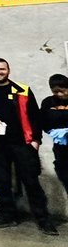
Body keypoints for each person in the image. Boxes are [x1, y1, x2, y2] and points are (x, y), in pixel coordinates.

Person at [0, 58, 54, 234]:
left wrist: (36, 140)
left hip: (22, 144)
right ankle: (8, 216)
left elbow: (35, 116)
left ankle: (43, 220)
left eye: (2, 69)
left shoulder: (23, 90)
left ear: (8, 70)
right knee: (1, 182)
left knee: (31, 182)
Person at [41, 74, 68, 208]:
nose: (59, 94)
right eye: (55, 92)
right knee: (64, 174)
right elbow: (44, 121)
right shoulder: (48, 102)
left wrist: (58, 114)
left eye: (62, 91)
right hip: (61, 148)